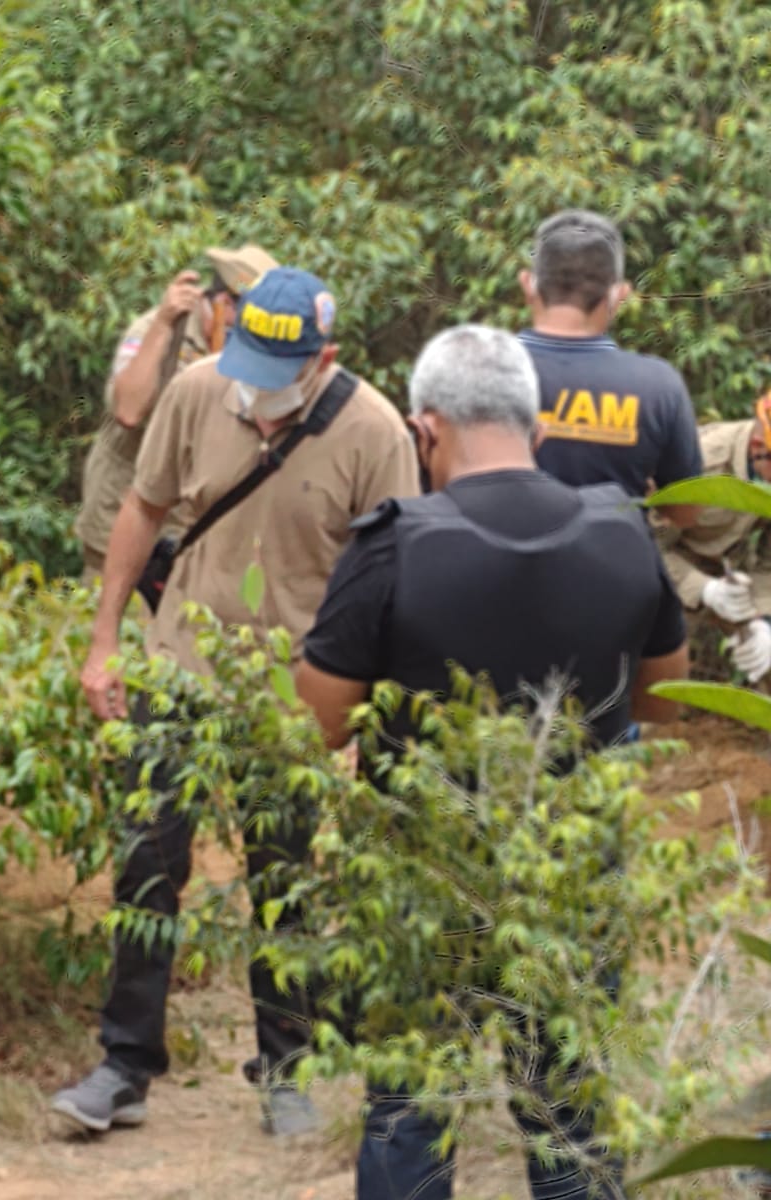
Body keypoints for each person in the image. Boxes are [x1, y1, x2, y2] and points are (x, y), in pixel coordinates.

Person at [294, 324, 688, 1200]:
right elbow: (665, 701)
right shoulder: (624, 534)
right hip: (572, 876)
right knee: (571, 1113)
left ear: (422, 430)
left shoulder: (392, 545)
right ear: (537, 429)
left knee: (410, 1107)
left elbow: (316, 724)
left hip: (422, 880)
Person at [51, 266, 419, 1137]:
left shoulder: (375, 433)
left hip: (295, 692)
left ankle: (284, 1071)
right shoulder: (197, 389)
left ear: (324, 357)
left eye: (276, 368)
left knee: (283, 879)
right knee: (147, 863)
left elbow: (397, 580)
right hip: (181, 665)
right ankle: (124, 1066)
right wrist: (107, 641)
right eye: (245, 357)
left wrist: (369, 713)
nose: (253, 385)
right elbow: (142, 510)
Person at [74, 245, 278, 580]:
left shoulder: (251, 352)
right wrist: (163, 325)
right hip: (121, 517)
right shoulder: (155, 329)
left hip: (189, 533)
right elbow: (128, 410)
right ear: (225, 302)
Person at [517, 209, 703, 525]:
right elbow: (686, 511)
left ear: (528, 285)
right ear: (618, 295)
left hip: (497, 570)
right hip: (615, 568)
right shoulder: (657, 386)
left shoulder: (477, 369)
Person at [656, 392, 771, 684]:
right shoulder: (699, 463)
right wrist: (704, 590)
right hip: (664, 563)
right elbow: (644, 549)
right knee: (650, 675)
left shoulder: (764, 467)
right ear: (759, 448)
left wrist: (763, 621)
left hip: (729, 566)